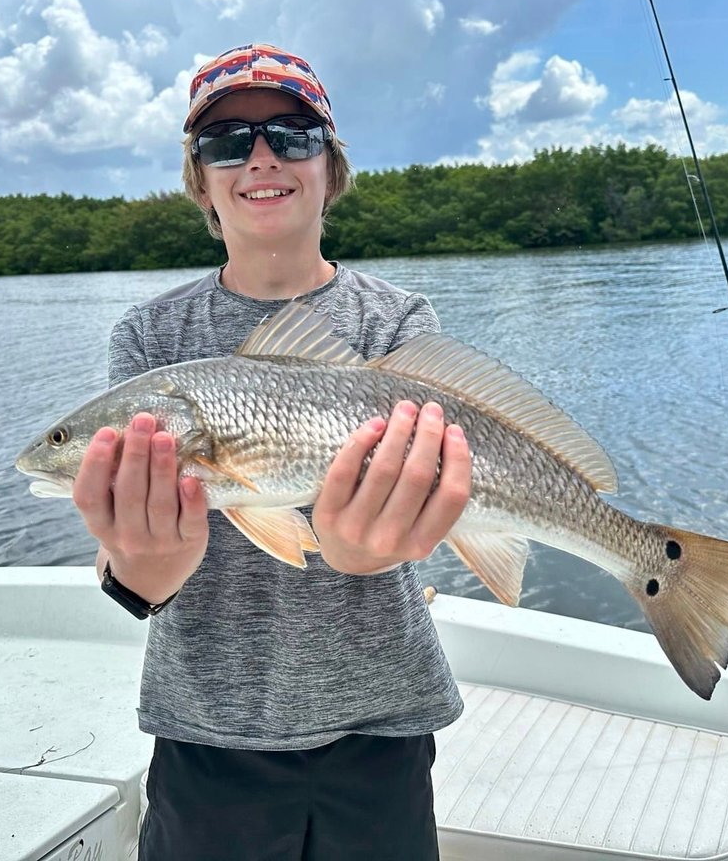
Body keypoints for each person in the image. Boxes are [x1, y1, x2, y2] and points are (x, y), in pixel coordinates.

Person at [71, 43, 472, 860]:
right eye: (226, 142)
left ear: (330, 167)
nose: (259, 157)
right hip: (207, 729)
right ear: (201, 180)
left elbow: (424, 503)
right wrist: (141, 567)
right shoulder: (151, 337)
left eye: (292, 135)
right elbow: (135, 577)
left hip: (380, 719)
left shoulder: (394, 322)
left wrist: (365, 551)